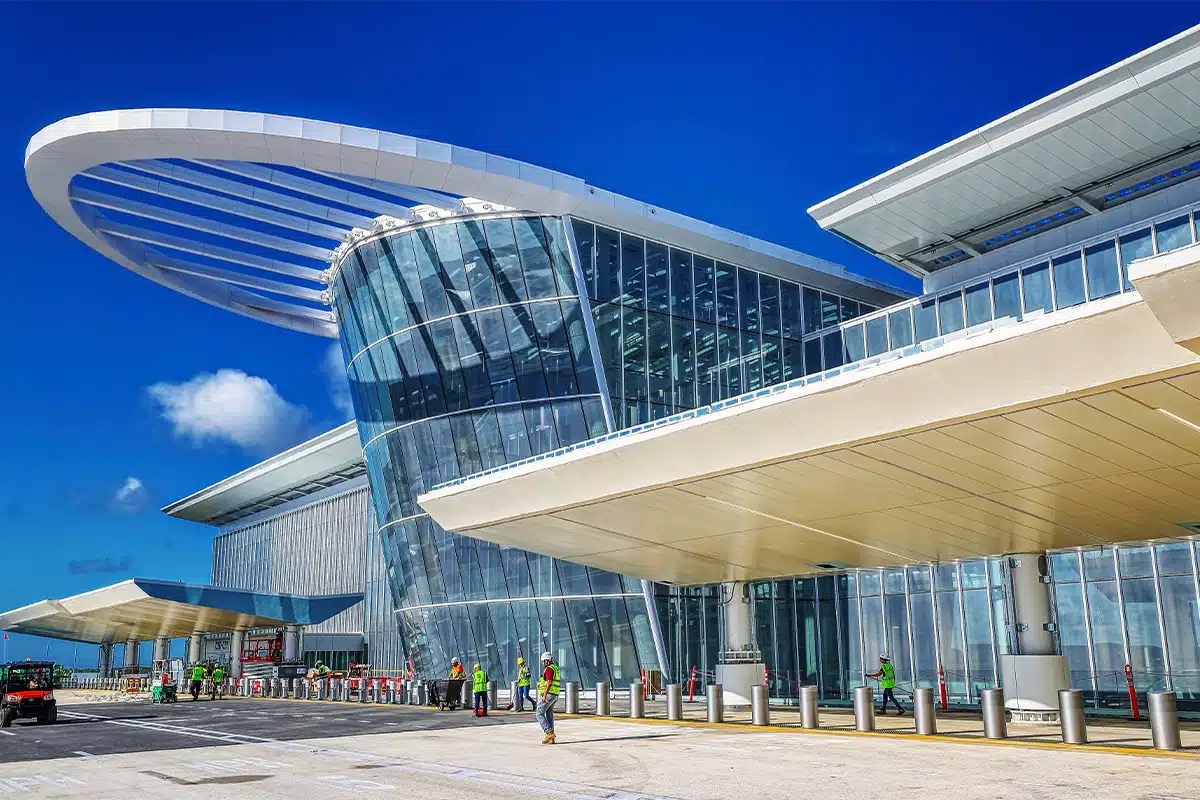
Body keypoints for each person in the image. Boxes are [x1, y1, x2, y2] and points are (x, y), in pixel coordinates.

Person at [536, 651, 560, 744]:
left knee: (539, 713)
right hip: (554, 694)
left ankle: (549, 732)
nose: (543, 663)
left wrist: (544, 695)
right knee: (549, 715)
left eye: (543, 661)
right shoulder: (555, 668)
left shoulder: (549, 669)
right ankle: (551, 738)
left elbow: (549, 682)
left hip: (549, 695)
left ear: (547, 661)